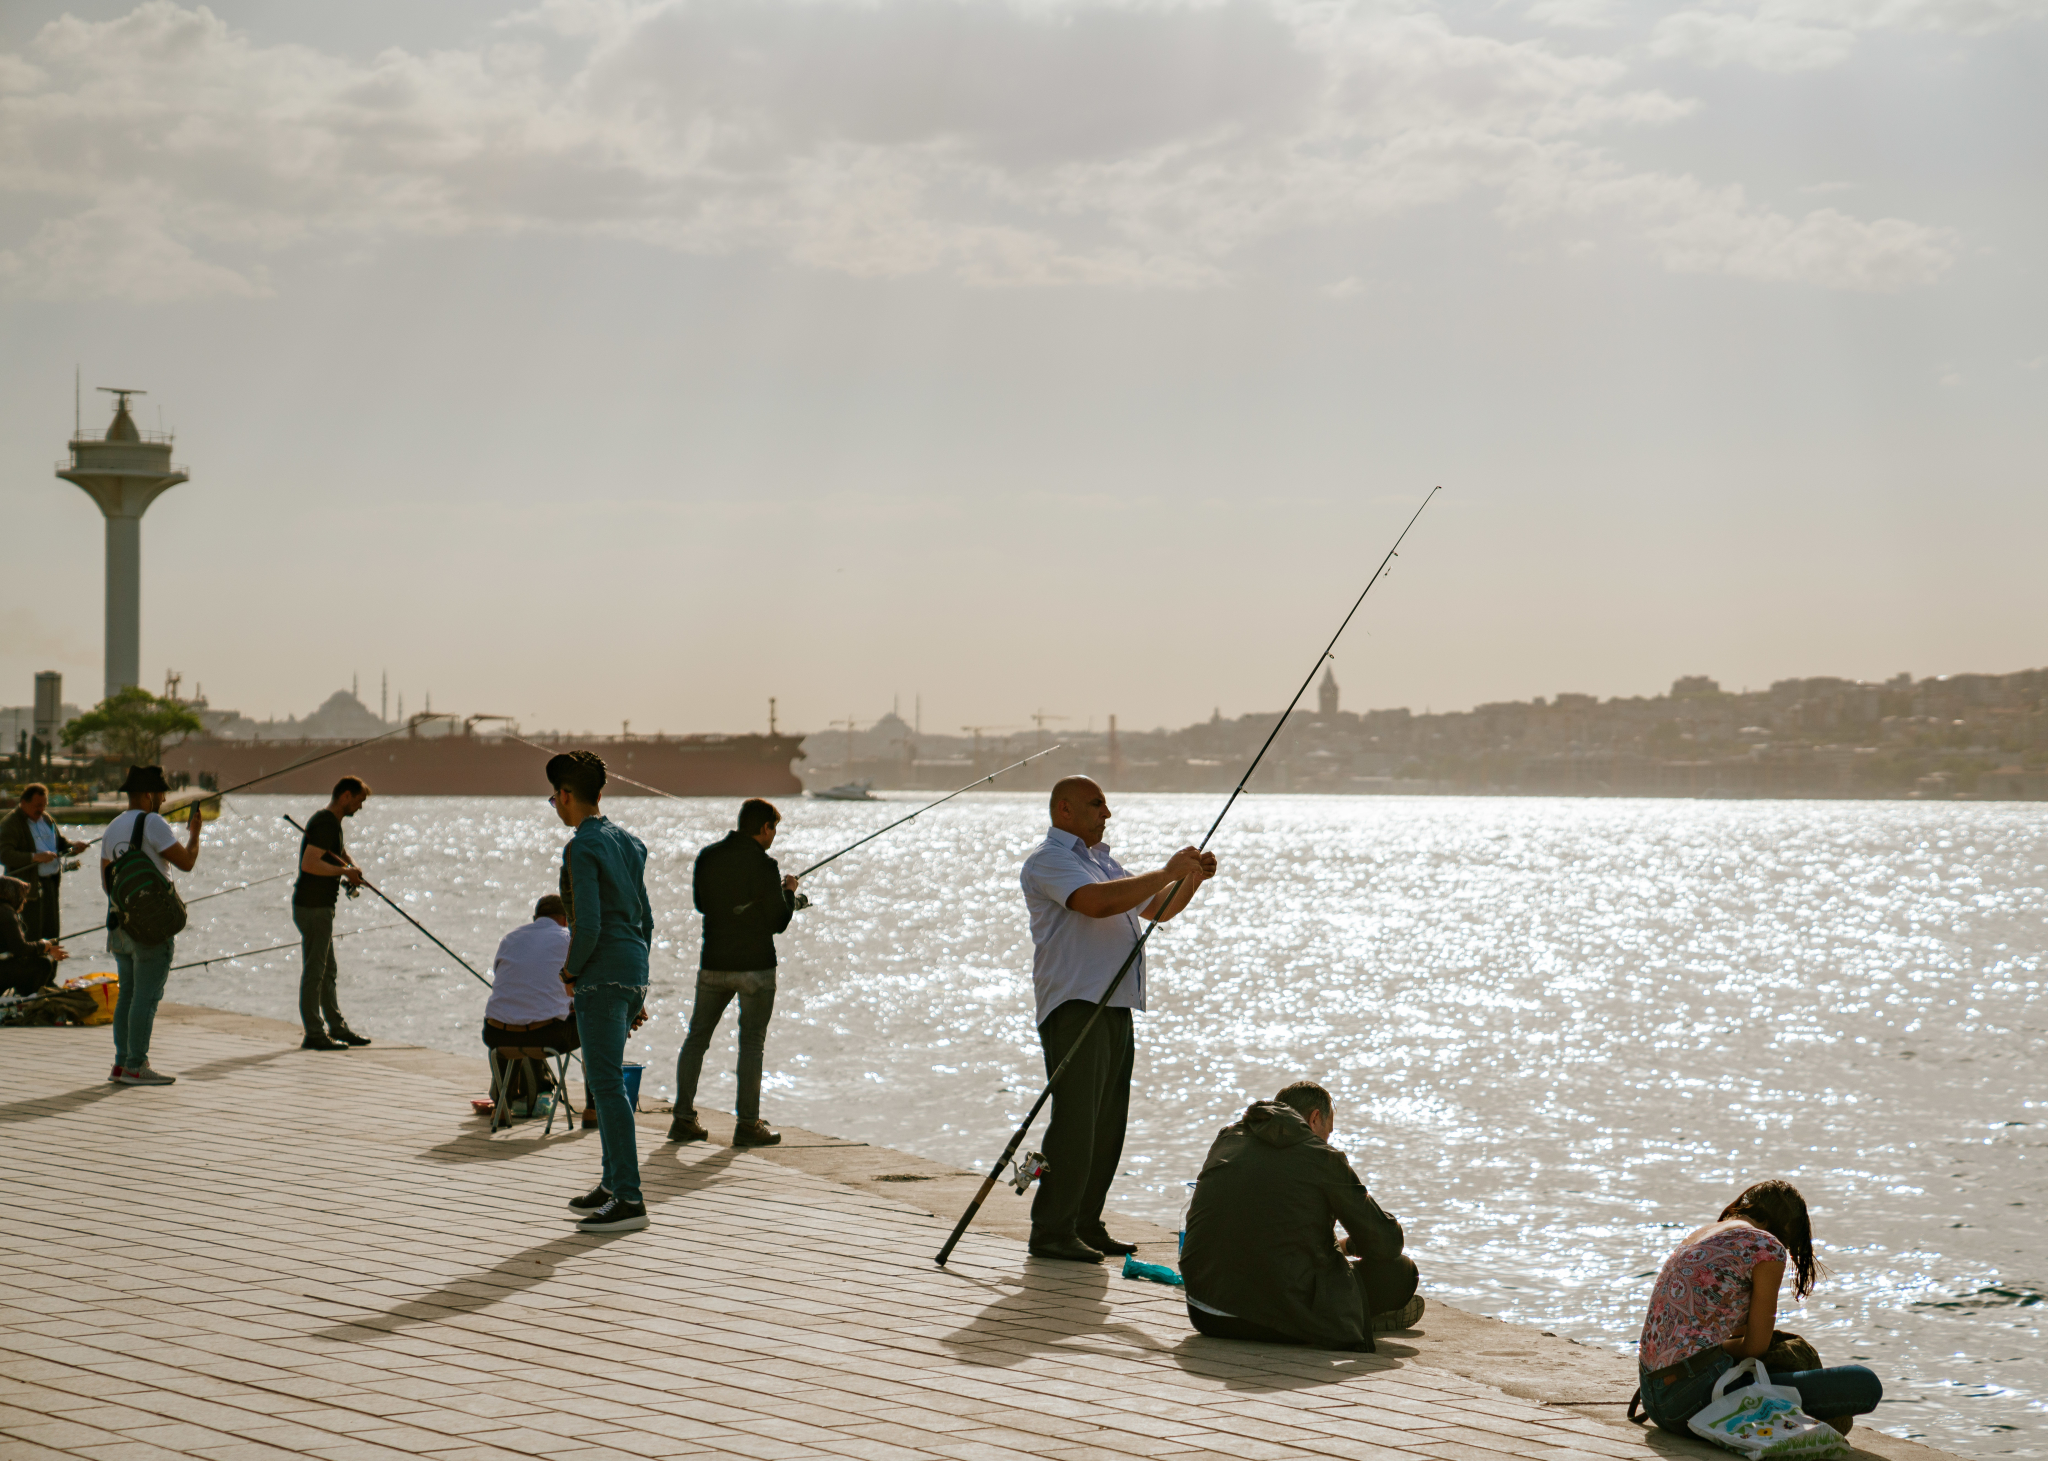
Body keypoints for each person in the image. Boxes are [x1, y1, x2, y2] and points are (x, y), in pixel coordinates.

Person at [1019, 775, 1216, 1262]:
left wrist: (1188, 878)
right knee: (1076, 1122)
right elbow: (1098, 903)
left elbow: (1158, 910)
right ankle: (1051, 1229)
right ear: (1064, 810)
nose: (1106, 813)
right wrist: (1166, 869)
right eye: (1096, 804)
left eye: (1105, 805)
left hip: (1114, 1004)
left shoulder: (1102, 861)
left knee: (1107, 1124)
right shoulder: (1051, 860)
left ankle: (1085, 1223)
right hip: (1074, 1003)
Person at [1179, 1081, 1420, 1352]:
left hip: (1207, 1312)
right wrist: (1355, 1244)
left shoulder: (1227, 1138)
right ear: (1315, 1118)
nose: (1327, 1140)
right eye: (1328, 1133)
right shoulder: (1321, 1157)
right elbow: (1386, 1242)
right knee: (1401, 1271)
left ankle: (1358, 1313)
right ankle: (1358, 1318)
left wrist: (1342, 1246)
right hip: (1283, 1321)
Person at [1636, 1180, 1882, 1438]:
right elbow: (1755, 1347)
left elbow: (1715, 1329)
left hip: (1654, 1401)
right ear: (1781, 1227)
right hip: (1688, 1401)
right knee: (1863, 1384)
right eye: (1787, 1241)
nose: (1784, 1248)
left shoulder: (1702, 1234)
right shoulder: (1765, 1246)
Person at [549, 750, 654, 1234]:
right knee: (607, 1081)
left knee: (606, 1086)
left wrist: (570, 971)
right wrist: (639, 984)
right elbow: (645, 920)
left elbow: (586, 926)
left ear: (567, 795)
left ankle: (629, 1199)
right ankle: (612, 1184)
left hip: (602, 974)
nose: (553, 803)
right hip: (631, 968)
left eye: (554, 795)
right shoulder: (630, 842)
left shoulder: (582, 847)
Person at [670, 797, 799, 1148]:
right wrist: (788, 893)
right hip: (756, 967)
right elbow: (778, 922)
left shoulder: (708, 856)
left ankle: (682, 1118)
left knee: (696, 1038)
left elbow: (701, 904)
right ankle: (746, 1125)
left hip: (714, 962)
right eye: (774, 828)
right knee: (751, 1045)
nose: (774, 836)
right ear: (763, 828)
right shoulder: (765, 865)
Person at [101, 765, 203, 1086]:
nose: (163, 797)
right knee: (146, 995)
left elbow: (107, 881)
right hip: (151, 927)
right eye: (161, 792)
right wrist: (195, 834)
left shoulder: (113, 827)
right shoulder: (153, 822)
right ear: (147, 794)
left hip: (120, 921)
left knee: (127, 994)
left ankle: (120, 1064)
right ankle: (136, 1065)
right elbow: (185, 864)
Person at [292, 777, 372, 1051]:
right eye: (359, 801)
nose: (360, 807)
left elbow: (336, 852)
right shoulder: (326, 822)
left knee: (328, 969)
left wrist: (353, 867)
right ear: (346, 796)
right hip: (313, 908)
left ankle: (336, 1027)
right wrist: (343, 872)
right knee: (315, 970)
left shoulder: (330, 823)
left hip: (321, 907)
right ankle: (314, 1033)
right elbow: (309, 863)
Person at [483, 893, 579, 1117]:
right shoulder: (568, 938)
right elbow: (577, 987)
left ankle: (504, 1099)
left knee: (517, 1014)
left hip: (497, 1035)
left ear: (535, 917)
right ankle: (594, 1109)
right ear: (566, 919)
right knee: (595, 1025)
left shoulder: (510, 938)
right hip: (546, 1037)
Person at [1, 784, 89, 943]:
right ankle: (32, 967)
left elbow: (60, 843)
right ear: (23, 803)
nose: (41, 809)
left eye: (44, 805)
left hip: (50, 886)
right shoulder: (10, 823)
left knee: (52, 935)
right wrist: (35, 857)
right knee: (32, 938)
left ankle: (50, 966)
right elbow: (4, 855)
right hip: (27, 892)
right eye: (37, 805)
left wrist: (73, 847)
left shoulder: (47, 819)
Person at [0, 875, 68, 997]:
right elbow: (20, 949)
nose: (25, 900)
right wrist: (44, 946)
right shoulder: (6, 913)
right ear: (12, 895)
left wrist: (45, 949)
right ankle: (27, 1000)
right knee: (43, 964)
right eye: (22, 896)